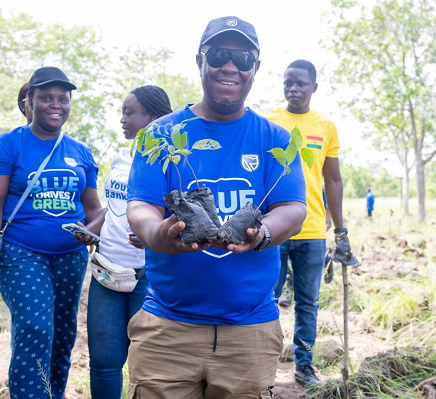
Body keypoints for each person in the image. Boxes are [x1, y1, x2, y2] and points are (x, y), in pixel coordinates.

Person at [126, 16, 307, 399]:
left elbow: (292, 208)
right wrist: (161, 234)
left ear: (255, 67)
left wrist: (263, 234)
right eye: (219, 54)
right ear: (200, 61)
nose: (230, 66)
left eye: (242, 58)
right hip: (167, 330)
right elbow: (141, 207)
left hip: (250, 332)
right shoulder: (159, 136)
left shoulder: (274, 138)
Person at [0, 66, 102, 399]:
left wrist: (90, 232)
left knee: (63, 335)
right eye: (46, 97)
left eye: (63, 98)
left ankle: (53, 394)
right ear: (29, 101)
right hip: (21, 252)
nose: (55, 104)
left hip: (70, 258)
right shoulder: (7, 145)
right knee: (34, 327)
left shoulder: (80, 152)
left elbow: (94, 210)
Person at [74, 85, 172, 399]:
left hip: (149, 274)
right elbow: (113, 210)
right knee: (104, 360)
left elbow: (180, 214)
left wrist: (154, 233)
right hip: (107, 270)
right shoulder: (121, 159)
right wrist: (91, 230)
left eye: (129, 112)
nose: (122, 119)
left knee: (151, 363)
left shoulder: (173, 163)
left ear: (153, 118)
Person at [267, 59, 345, 387]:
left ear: (314, 86)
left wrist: (341, 231)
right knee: (265, 299)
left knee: (308, 304)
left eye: (300, 83)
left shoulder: (325, 126)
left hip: (312, 230)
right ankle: (263, 367)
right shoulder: (267, 121)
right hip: (271, 228)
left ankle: (304, 365)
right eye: (288, 82)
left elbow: (334, 181)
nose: (293, 88)